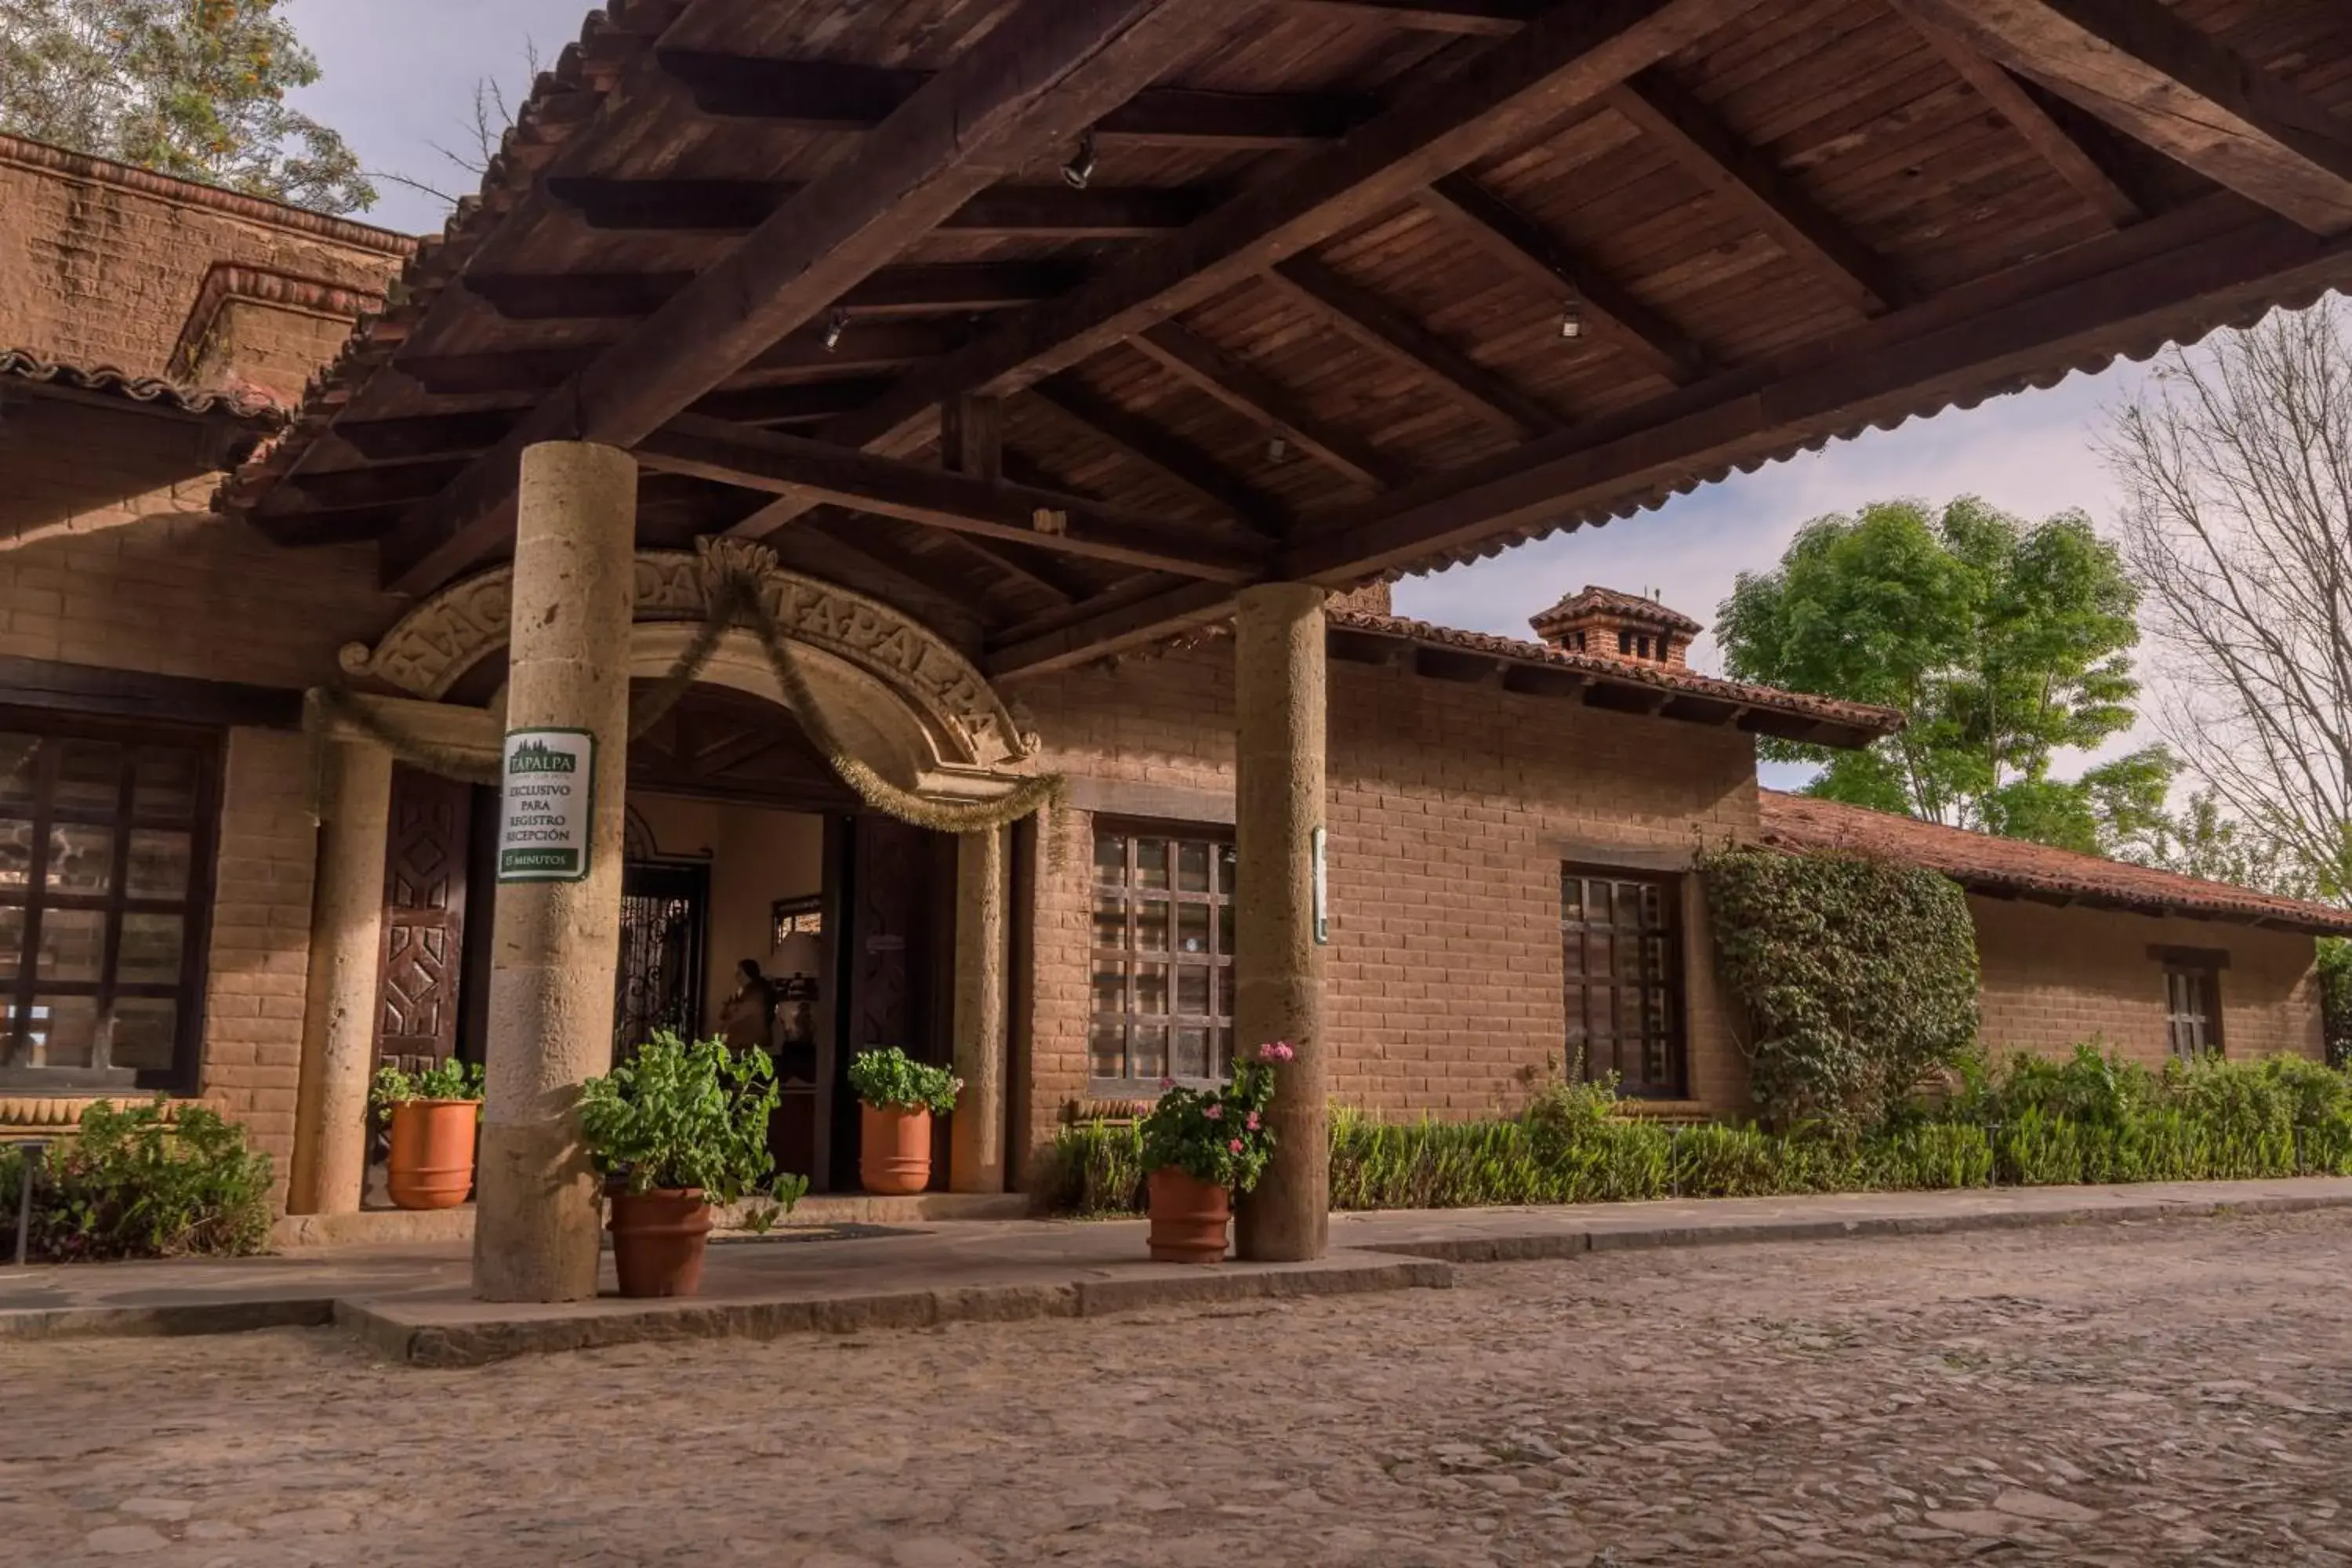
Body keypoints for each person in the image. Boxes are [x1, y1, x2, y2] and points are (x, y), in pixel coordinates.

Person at [718, 958, 775, 1054]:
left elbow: (737, 1015)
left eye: (740, 973)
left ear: (749, 974)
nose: (736, 977)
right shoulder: (743, 993)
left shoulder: (756, 993)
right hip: (742, 1043)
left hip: (750, 1043)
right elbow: (724, 1015)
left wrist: (729, 1015)